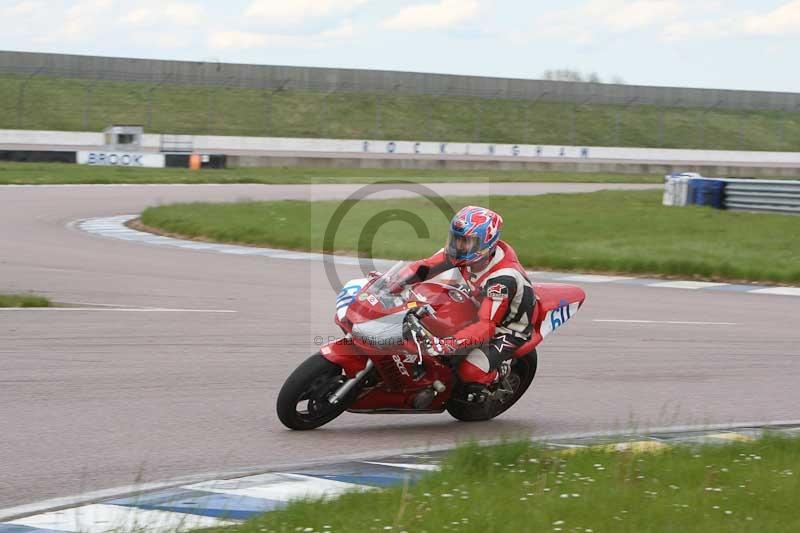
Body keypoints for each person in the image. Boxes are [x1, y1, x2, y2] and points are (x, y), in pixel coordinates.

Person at [397, 205, 535, 402]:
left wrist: (447, 345)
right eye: (456, 238)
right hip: (477, 301)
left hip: (506, 327)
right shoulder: (462, 253)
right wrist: (390, 285)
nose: (459, 246)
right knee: (424, 309)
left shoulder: (502, 279)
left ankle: (496, 376)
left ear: (486, 243)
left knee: (469, 371)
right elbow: (424, 267)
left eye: (466, 241)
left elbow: (486, 327)